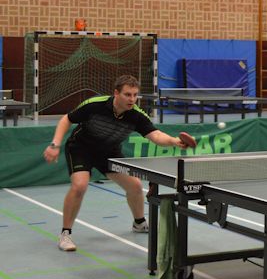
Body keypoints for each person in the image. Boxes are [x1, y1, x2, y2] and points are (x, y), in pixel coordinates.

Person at [43, 75, 189, 252]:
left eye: (135, 95)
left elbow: (156, 135)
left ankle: (139, 223)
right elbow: (67, 119)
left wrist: (174, 141)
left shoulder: (136, 115)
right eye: (127, 94)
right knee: (80, 185)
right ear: (116, 93)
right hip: (81, 149)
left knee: (135, 186)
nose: (132, 99)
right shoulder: (95, 105)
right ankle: (65, 234)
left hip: (109, 152)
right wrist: (55, 144)